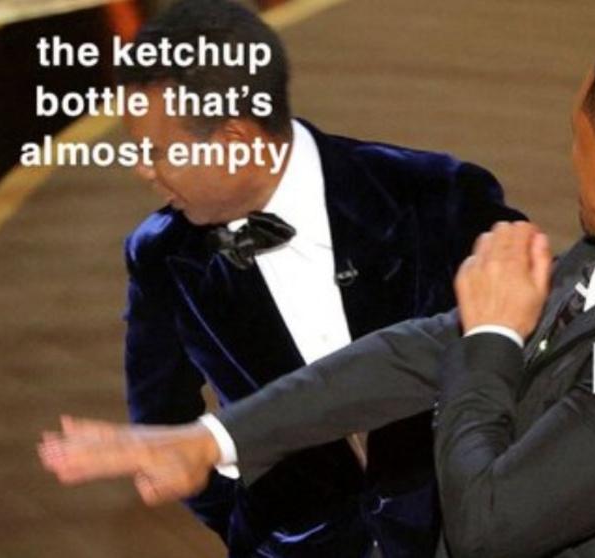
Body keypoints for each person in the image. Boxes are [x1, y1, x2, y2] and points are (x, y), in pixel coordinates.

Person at [41, 41, 595, 557]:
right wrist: (214, 438)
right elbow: (420, 348)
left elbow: (486, 526)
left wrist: (490, 342)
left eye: (576, 142)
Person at [109, 1, 523, 556]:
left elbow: (543, 352)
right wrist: (251, 528)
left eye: (155, 151)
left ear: (234, 140)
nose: (142, 171)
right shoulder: (160, 254)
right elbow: (163, 420)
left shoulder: (437, 194)